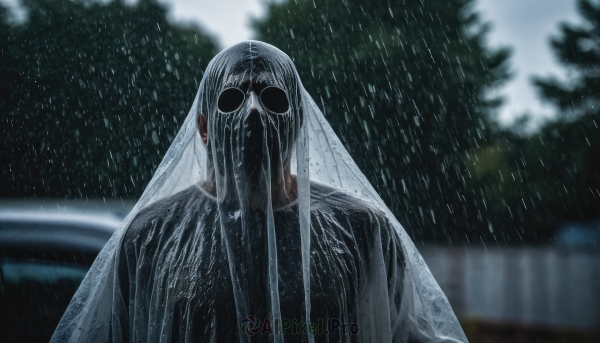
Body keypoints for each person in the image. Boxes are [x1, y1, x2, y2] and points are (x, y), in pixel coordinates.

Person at [51, 41, 467, 343]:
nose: (254, 112)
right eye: (232, 98)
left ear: (298, 121)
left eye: (272, 96)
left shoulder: (361, 231)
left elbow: (412, 334)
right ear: (204, 127)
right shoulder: (149, 237)